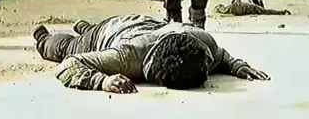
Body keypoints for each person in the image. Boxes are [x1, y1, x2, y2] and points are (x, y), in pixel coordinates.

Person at [32, 14, 269, 93]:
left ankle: (84, 25)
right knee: (67, 47)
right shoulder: (127, 57)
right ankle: (43, 39)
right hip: (109, 32)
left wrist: (237, 66)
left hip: (143, 24)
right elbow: (69, 65)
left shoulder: (201, 42)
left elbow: (221, 56)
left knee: (92, 33)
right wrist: (101, 81)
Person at [214, 0, 292, 16]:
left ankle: (219, 7)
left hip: (236, 6)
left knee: (223, 9)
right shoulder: (254, 7)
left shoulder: (234, 4)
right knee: (264, 11)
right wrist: (281, 12)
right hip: (246, 7)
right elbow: (267, 11)